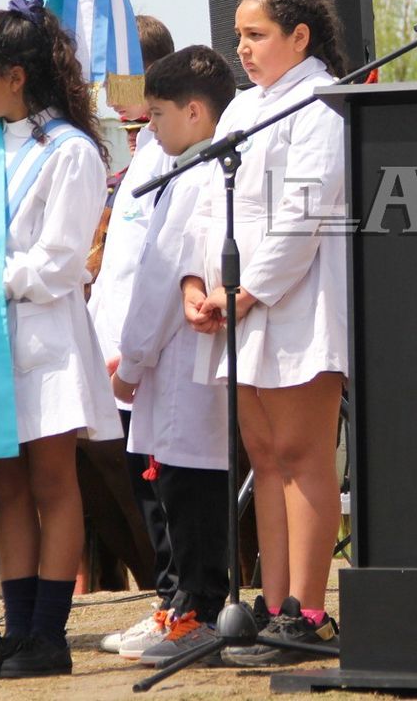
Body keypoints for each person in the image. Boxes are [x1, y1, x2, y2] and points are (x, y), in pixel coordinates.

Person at [0, 0, 120, 681]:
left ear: (15, 75)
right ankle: (16, 629)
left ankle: (50, 633)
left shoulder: (70, 151)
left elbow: (60, 263)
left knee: (52, 483)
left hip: (43, 339)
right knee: (7, 488)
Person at [180, 0, 347, 666]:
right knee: (265, 458)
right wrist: (197, 280)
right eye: (239, 35)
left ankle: (308, 611)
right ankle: (272, 604)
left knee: (305, 455)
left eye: (258, 35)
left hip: (296, 301)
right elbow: (204, 201)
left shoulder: (322, 105)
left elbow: (305, 211)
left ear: (299, 36)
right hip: (235, 302)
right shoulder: (246, 108)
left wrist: (246, 290)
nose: (242, 49)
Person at [106, 46, 236, 668]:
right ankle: (185, 602)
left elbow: (160, 280)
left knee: (191, 491)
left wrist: (131, 362)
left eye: (156, 114)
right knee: (179, 486)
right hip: (175, 362)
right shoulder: (189, 165)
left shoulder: (198, 171)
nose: (149, 128)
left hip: (183, 359)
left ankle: (199, 610)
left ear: (192, 111)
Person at [86, 15, 179, 659]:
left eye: (114, 74)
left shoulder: (172, 149)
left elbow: (162, 261)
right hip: (116, 349)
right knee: (141, 495)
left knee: (164, 492)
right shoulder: (141, 146)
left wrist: (135, 347)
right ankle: (167, 604)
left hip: (146, 352)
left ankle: (181, 605)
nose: (105, 90)